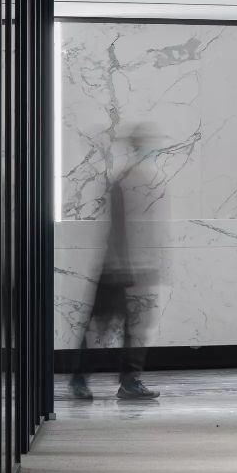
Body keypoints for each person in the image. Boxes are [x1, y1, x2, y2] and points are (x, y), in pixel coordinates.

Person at [70, 126, 161, 401]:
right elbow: (119, 229)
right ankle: (86, 379)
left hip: (132, 268)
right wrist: (124, 267)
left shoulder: (144, 180)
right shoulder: (126, 181)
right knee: (104, 325)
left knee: (132, 327)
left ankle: (126, 381)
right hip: (118, 270)